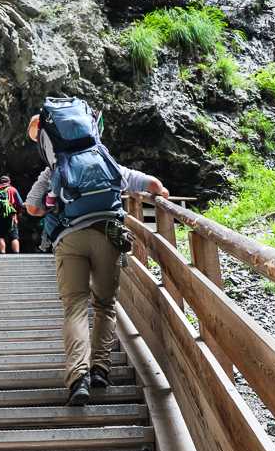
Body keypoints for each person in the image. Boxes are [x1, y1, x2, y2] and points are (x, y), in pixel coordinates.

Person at [24, 105, 169, 406]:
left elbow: (33, 208)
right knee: (104, 304)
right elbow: (154, 185)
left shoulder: (54, 170)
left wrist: (55, 202)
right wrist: (163, 195)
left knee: (75, 307)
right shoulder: (107, 163)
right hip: (108, 235)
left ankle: (79, 378)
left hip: (69, 240)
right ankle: (100, 368)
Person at [0, 175, 24, 253]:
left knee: (0, 236)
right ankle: (16, 254)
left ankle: (2, 255)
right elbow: (20, 204)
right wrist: (16, 212)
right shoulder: (13, 190)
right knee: (14, 237)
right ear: (9, 182)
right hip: (11, 217)